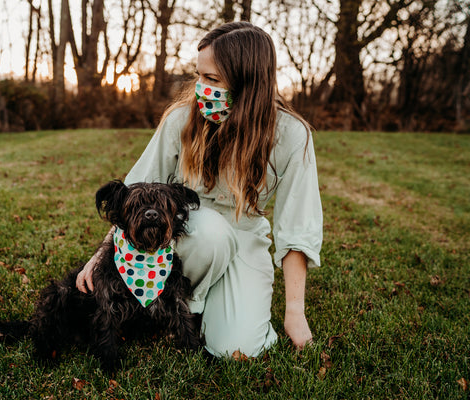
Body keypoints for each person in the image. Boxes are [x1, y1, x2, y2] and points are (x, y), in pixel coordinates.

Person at [76, 21, 323, 358]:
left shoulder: (292, 136)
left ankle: (208, 308)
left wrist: (295, 311)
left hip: (245, 238)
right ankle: (180, 309)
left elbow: (297, 227)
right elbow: (134, 191)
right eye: (199, 76)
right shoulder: (181, 119)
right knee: (210, 233)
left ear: (247, 84)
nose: (200, 88)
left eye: (212, 79)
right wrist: (103, 253)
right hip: (187, 237)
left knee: (237, 350)